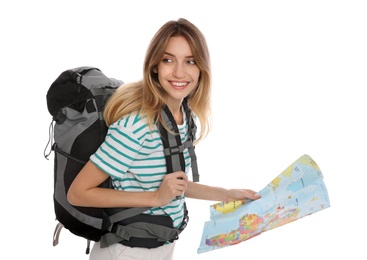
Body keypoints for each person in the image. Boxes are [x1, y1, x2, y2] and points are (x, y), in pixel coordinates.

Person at [67, 18, 261, 260]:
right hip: (127, 251)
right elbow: (78, 193)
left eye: (190, 61)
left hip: (163, 246)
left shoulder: (183, 117)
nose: (179, 72)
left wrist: (226, 194)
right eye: (168, 60)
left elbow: (172, 186)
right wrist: (155, 198)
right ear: (154, 66)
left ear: (201, 68)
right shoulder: (136, 125)